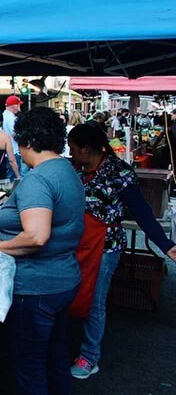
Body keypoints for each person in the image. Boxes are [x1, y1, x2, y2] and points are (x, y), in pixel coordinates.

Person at [67, 123, 176, 380]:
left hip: (105, 246)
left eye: (73, 149)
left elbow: (142, 213)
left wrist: (167, 246)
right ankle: (67, 345)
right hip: (74, 243)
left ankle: (89, 357)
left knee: (95, 302)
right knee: (71, 295)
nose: (70, 154)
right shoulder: (74, 170)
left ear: (86, 148)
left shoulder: (119, 172)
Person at [0, 107, 85, 395]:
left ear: (28, 142)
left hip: (35, 288)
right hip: (62, 280)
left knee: (30, 368)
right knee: (55, 358)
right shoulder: (66, 169)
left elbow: (36, 235)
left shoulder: (38, 178)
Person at [3, 96, 23, 178]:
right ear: (15, 105)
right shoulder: (11, 117)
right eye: (19, 105)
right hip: (13, 151)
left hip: (5, 152)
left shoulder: (3, 115)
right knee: (13, 178)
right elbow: (15, 133)